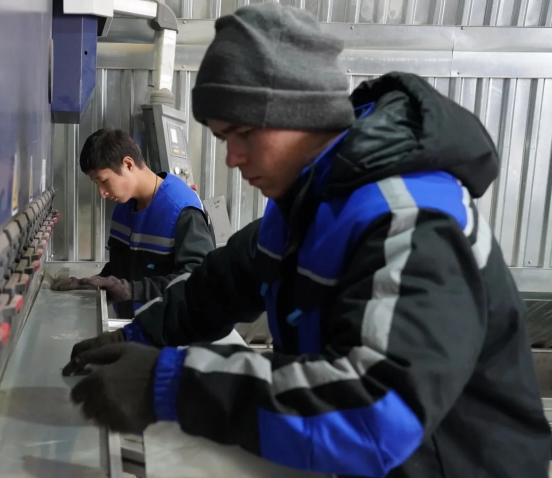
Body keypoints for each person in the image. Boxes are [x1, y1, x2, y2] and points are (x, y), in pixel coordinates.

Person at [61, 3, 551, 478]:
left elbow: (374, 413)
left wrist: (169, 383)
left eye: (242, 133)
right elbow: (216, 286)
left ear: (301, 114)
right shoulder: (306, 208)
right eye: (224, 138)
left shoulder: (413, 221)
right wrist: (131, 338)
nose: (232, 158)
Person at [52, 128, 215, 320]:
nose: (102, 193)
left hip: (174, 327)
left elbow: (198, 279)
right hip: (134, 324)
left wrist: (131, 290)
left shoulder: (181, 210)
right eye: (96, 184)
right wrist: (91, 284)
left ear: (128, 164)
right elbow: (121, 267)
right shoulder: (124, 207)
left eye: (103, 181)